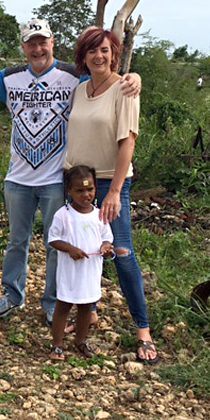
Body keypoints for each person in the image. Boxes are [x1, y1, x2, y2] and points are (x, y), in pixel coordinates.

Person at [0, 18, 141, 325]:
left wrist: (134, 77)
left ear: (52, 43)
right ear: (24, 48)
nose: (38, 48)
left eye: (43, 42)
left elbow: (107, 77)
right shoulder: (11, 78)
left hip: (58, 180)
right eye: (31, 43)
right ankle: (12, 295)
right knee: (17, 240)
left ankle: (54, 302)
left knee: (56, 243)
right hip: (17, 179)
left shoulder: (73, 76)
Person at [66, 26, 159, 364]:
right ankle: (87, 312)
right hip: (76, 183)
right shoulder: (79, 90)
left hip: (107, 183)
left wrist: (115, 191)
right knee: (87, 250)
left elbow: (128, 142)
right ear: (83, 57)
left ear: (114, 53)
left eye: (104, 50)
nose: (98, 56)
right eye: (92, 50)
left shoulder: (125, 89)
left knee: (121, 252)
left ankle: (143, 329)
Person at [48, 165, 114, 361]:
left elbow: (107, 238)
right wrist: (70, 249)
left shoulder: (99, 214)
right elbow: (53, 239)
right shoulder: (63, 214)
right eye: (80, 190)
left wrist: (106, 247)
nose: (86, 194)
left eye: (90, 189)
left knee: (86, 307)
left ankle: (81, 341)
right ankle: (57, 344)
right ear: (68, 191)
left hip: (90, 272)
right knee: (63, 306)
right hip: (70, 273)